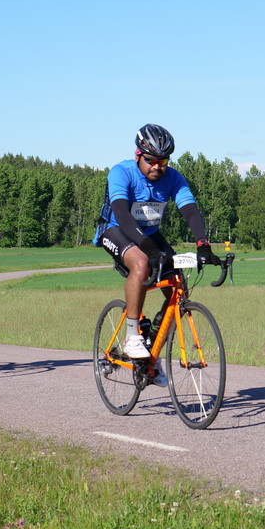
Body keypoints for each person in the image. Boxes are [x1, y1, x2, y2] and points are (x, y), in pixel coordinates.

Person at [94, 124, 220, 381]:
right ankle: (132, 336)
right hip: (115, 229)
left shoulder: (173, 177)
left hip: (149, 234)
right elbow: (121, 213)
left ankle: (152, 350)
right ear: (137, 155)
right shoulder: (121, 172)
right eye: (151, 160)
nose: (157, 167)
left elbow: (190, 211)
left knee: (178, 285)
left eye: (163, 161)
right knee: (141, 263)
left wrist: (203, 245)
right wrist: (149, 250)